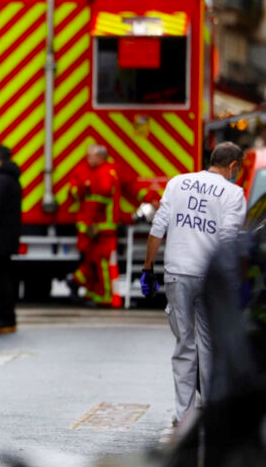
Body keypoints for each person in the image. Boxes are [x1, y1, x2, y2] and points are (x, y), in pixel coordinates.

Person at [141, 141, 246, 428]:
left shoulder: (178, 183)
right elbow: (228, 241)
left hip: (177, 274)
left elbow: (157, 228)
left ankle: (182, 414)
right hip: (209, 278)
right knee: (210, 345)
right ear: (233, 165)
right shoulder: (233, 193)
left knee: (184, 345)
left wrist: (148, 268)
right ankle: (211, 411)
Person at [71, 144, 122, 307]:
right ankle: (90, 289)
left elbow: (101, 197)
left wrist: (91, 223)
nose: (88, 159)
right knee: (93, 261)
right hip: (97, 228)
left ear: (100, 157)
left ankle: (106, 296)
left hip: (102, 228)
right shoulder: (98, 172)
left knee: (102, 264)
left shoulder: (105, 173)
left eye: (91, 156)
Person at [0, 145, 22, 334]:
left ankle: (6, 319)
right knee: (4, 277)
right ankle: (6, 318)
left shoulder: (0, 180)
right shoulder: (12, 179)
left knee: (0, 279)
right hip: (8, 236)